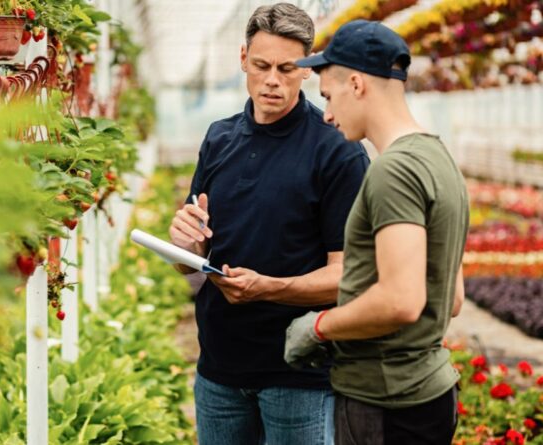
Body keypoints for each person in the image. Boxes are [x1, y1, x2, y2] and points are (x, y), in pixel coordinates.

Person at [168, 4, 369, 444]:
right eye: (261, 66)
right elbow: (191, 262)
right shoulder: (219, 138)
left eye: (287, 68)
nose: (272, 80)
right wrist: (185, 245)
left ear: (307, 71)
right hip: (218, 370)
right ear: (243, 59)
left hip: (298, 375)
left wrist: (269, 287)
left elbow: (349, 276)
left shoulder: (336, 150)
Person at [284, 20, 469, 445]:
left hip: (386, 403)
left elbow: (401, 301)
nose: (327, 114)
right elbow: (452, 298)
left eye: (328, 97)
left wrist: (319, 327)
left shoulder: (393, 171)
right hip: (428, 392)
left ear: (356, 83)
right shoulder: (439, 158)